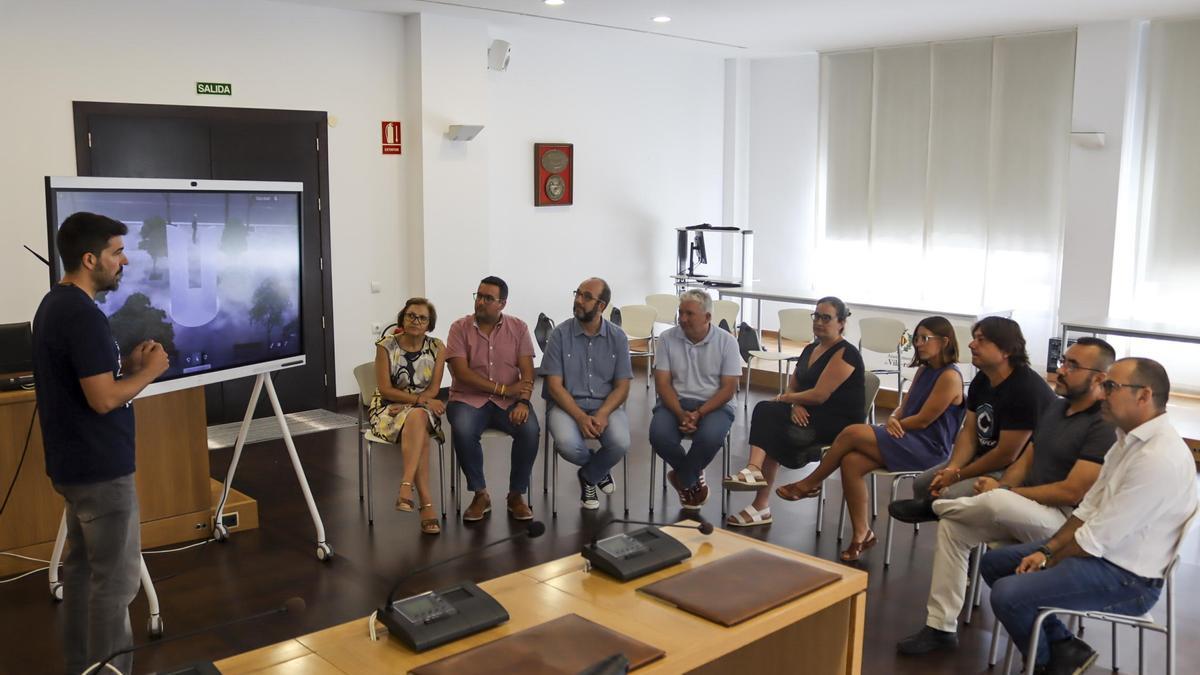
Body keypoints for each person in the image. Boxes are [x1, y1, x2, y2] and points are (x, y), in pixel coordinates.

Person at [896, 338, 1117, 655]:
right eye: (1063, 361)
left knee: (995, 502)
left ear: (1099, 377)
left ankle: (937, 507)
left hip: (1067, 523)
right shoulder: (1057, 406)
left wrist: (1006, 491)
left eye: (1072, 365)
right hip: (1026, 509)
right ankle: (940, 627)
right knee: (955, 530)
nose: (1061, 370)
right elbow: (1028, 457)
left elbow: (1073, 490)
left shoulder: (1103, 425)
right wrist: (1002, 487)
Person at [980, 357, 1197, 674]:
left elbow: (1095, 538)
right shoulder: (1126, 441)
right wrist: (1047, 549)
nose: (1102, 392)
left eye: (1111, 386)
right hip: (1103, 556)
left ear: (1144, 396)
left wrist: (1046, 557)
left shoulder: (1158, 459)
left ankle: (1046, 663)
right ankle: (1064, 649)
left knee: (1008, 594)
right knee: (994, 564)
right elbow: (1086, 510)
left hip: (1128, 580)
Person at [32, 212, 170, 675]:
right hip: (100, 471)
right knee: (114, 585)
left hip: (76, 467)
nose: (124, 260)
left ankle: (82, 668)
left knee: (83, 575)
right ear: (90, 259)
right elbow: (103, 399)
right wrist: (149, 373)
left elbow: (92, 385)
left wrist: (127, 370)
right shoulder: (82, 315)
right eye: (116, 252)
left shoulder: (56, 304)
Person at [768, 315, 964, 562]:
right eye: (916, 338)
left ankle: (811, 482)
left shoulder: (949, 376)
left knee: (852, 432)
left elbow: (925, 420)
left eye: (925, 339)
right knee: (851, 462)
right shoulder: (925, 370)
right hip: (904, 435)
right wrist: (893, 417)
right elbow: (903, 406)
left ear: (945, 341)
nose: (919, 344)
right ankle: (862, 534)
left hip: (928, 448)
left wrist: (895, 423)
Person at [889, 316, 1056, 523]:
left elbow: (1006, 454)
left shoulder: (1025, 389)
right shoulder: (983, 378)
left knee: (949, 495)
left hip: (1015, 469)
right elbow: (969, 431)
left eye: (981, 340)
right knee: (922, 484)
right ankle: (943, 514)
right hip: (985, 456)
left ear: (1006, 351)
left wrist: (959, 475)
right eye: (974, 338)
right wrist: (953, 468)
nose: (971, 344)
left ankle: (961, 534)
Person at [721, 297, 865, 527]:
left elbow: (820, 395)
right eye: (816, 316)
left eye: (825, 317)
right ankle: (758, 495)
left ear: (841, 323)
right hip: (809, 413)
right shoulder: (810, 349)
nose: (818, 321)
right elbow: (794, 385)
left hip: (838, 424)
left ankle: (757, 485)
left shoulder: (846, 353)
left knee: (768, 413)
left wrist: (788, 399)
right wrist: (794, 402)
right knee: (771, 421)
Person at [445, 276, 539, 522]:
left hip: (509, 403)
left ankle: (516, 495)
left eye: (488, 298)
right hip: (467, 399)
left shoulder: (518, 328)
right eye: (478, 295)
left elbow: (528, 373)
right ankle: (480, 494)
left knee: (530, 429)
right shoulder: (459, 327)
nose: (480, 302)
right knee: (463, 428)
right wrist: (503, 390)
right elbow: (461, 374)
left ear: (502, 304)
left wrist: (522, 402)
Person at [543, 278, 633, 509]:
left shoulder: (618, 337)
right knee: (566, 444)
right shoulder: (559, 335)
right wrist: (580, 417)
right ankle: (598, 469)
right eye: (578, 293)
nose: (578, 300)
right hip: (566, 405)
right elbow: (554, 386)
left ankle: (588, 475)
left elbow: (622, 386)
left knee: (620, 442)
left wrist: (602, 413)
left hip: (605, 405)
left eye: (586, 297)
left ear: (601, 306)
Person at [649, 289, 742, 510]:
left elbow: (728, 389)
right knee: (659, 435)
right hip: (675, 403)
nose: (682, 319)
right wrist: (682, 413)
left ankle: (683, 477)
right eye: (681, 312)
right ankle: (692, 473)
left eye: (689, 314)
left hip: (715, 405)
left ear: (707, 317)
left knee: (710, 437)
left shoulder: (727, 342)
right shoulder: (667, 338)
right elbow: (663, 384)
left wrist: (700, 413)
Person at [368, 297, 447, 535]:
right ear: (403, 318)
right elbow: (385, 390)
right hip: (387, 408)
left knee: (417, 418)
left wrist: (414, 404)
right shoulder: (386, 346)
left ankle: (406, 487)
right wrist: (415, 402)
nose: (416, 321)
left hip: (419, 409)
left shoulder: (437, 348)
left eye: (422, 318)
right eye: (411, 315)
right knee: (418, 423)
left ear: (429, 324)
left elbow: (433, 390)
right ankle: (426, 505)